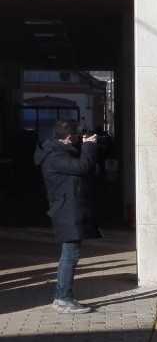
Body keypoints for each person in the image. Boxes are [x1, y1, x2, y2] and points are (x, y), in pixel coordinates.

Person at [33, 120, 100, 314]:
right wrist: (89, 146)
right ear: (69, 137)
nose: (81, 139)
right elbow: (82, 167)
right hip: (66, 211)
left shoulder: (59, 152)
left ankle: (64, 297)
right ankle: (62, 298)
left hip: (69, 209)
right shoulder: (54, 157)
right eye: (78, 137)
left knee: (70, 255)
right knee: (70, 256)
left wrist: (88, 146)